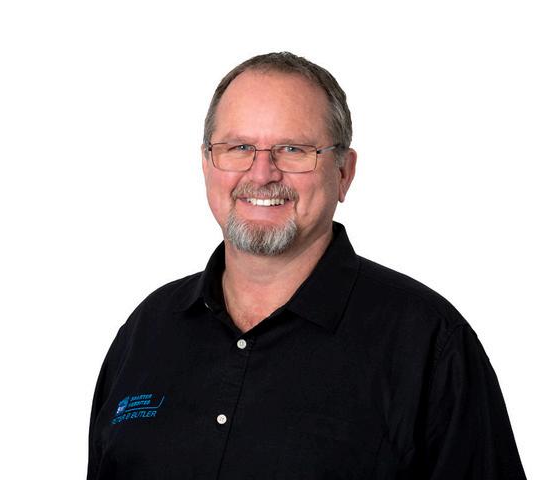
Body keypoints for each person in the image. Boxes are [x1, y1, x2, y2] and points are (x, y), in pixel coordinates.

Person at [87, 52, 527, 479]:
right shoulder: (146, 330)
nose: (262, 173)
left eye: (293, 149)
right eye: (239, 147)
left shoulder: (430, 343)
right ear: (207, 164)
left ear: (344, 172)